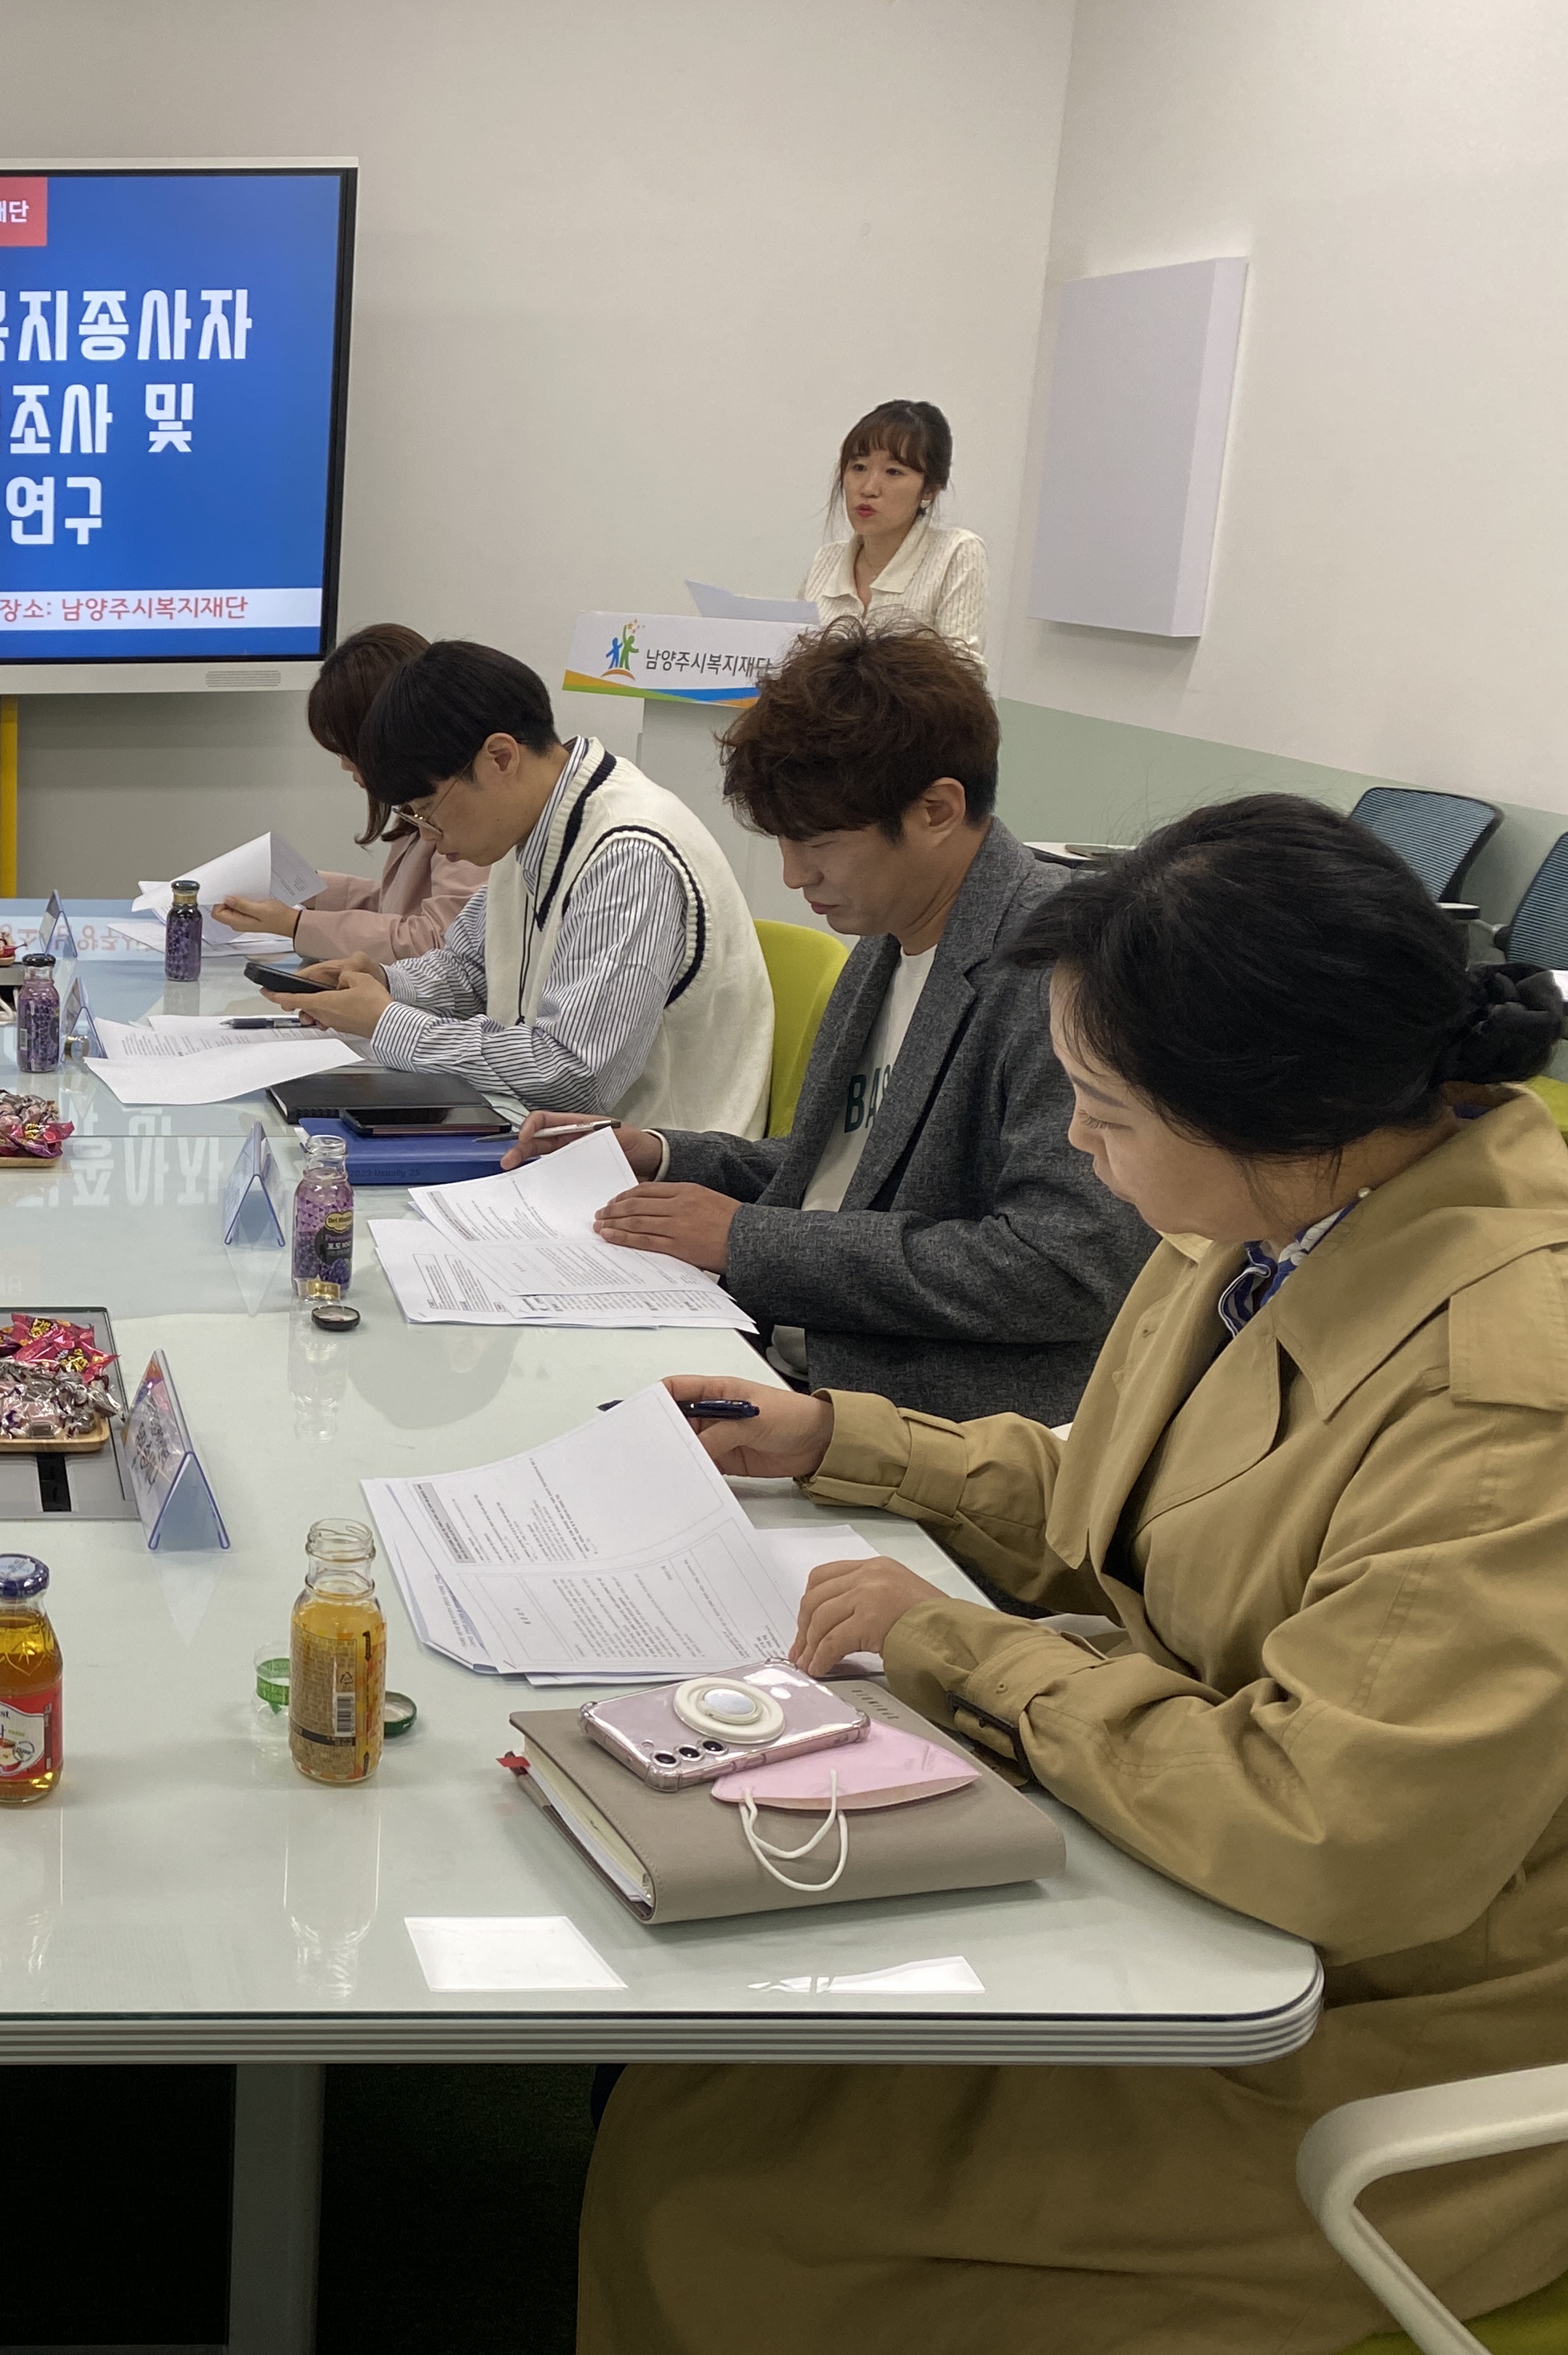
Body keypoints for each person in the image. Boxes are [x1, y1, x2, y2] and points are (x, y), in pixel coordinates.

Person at [581, 796, 1568, 2355]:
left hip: (1395, 2018)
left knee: (740, 2215)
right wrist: (842, 1439)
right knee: (716, 2088)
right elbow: (1135, 1505)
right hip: (1200, 1876)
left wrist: (964, 1650)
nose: (1081, 1148)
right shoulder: (1286, 1201)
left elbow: (1330, 1830)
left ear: (1268, 1103)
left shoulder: (1510, 1390)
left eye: (1102, 1109)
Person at [504, 622, 1148, 1421]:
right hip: (781, 1355)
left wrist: (746, 1240)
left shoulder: (1061, 966)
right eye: (783, 840)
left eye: (820, 843)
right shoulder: (889, 937)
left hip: (923, 1419)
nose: (793, 874)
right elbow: (847, 1174)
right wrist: (666, 1155)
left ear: (937, 809)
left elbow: (1063, 1268)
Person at [287, 640, 774, 1134]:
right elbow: (471, 971)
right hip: (552, 1136)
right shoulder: (532, 826)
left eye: (426, 810)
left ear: (500, 758)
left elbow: (572, 1075)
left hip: (653, 1158)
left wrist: (387, 1023)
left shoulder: (629, 854)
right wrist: (386, 983)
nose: (428, 836)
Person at [209, 621, 487, 959]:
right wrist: (306, 890)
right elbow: (396, 910)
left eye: (347, 750)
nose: (345, 765)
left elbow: (440, 941)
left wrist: (296, 925)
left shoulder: (465, 817)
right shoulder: (426, 803)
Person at [801, 398, 986, 668]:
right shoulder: (826, 561)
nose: (868, 488)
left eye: (893, 472)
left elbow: (963, 678)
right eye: (859, 467)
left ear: (929, 490)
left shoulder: (955, 553)